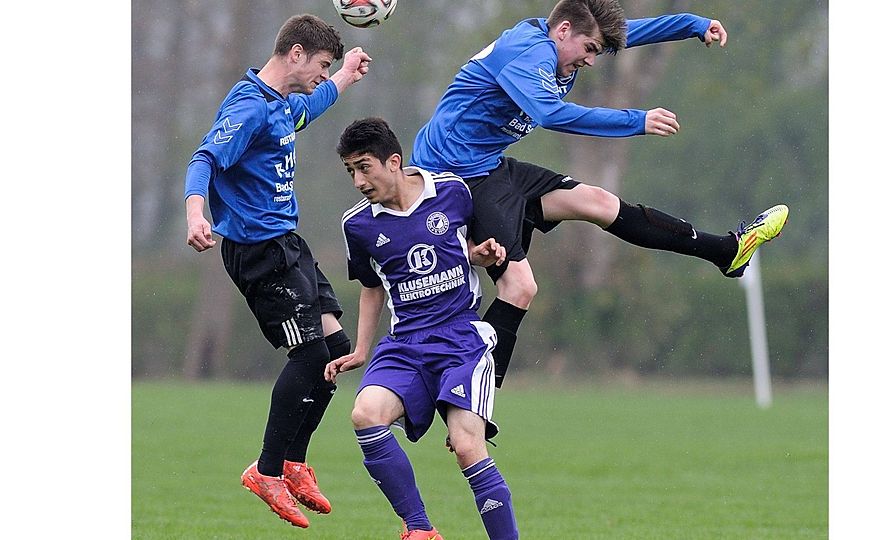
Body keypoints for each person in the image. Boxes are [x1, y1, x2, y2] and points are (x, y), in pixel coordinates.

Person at [410, 0, 789, 388]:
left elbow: (630, 34)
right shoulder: (527, 55)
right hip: (451, 177)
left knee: (598, 202)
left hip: (487, 165)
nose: (591, 60)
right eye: (589, 50)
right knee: (520, 287)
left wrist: (694, 24)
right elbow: (550, 114)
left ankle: (726, 251)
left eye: (596, 50)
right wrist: (636, 120)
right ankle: (463, 395)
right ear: (563, 31)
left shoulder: (566, 40)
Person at [183, 14, 371, 528]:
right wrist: (197, 213)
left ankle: (293, 462)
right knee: (310, 356)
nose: (321, 73)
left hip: (289, 245)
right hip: (258, 253)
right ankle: (265, 471)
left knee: (336, 352)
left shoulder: (281, 105)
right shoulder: (247, 107)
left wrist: (345, 76)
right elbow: (204, 159)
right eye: (322, 64)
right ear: (295, 54)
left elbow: (309, 106)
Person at [327, 117, 519, 540]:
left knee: (468, 448)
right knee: (365, 414)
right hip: (405, 345)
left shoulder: (452, 191)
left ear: (393, 161)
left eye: (364, 167)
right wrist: (361, 349)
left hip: (461, 339)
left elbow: (465, 248)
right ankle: (420, 530)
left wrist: (481, 255)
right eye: (350, 171)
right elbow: (372, 286)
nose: (358, 181)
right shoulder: (357, 225)